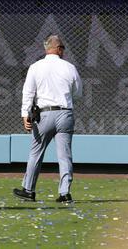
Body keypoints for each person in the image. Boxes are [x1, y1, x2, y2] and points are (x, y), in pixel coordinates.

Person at [14, 35, 82, 204]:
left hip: (44, 114)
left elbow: (28, 92)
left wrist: (25, 114)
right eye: (63, 48)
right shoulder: (69, 67)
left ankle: (29, 190)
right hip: (65, 113)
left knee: (36, 153)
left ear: (47, 48)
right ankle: (65, 193)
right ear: (58, 48)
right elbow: (78, 92)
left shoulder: (36, 67)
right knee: (65, 155)